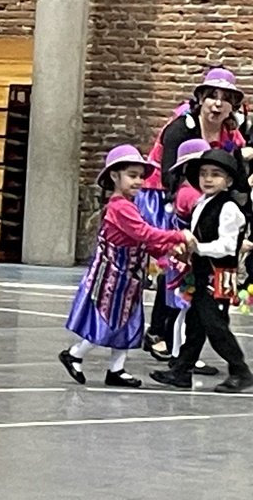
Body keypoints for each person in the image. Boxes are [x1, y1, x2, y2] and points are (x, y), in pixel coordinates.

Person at [59, 145, 194, 388]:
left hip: (129, 279)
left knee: (128, 323)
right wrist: (177, 236)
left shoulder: (130, 205)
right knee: (107, 322)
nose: (139, 181)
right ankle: (75, 353)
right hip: (111, 278)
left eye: (141, 176)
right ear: (114, 176)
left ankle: (116, 369)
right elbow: (144, 233)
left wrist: (165, 255)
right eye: (132, 175)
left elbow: (144, 242)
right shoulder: (119, 207)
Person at [141, 67, 248, 360]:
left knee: (196, 269)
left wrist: (239, 211)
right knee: (175, 263)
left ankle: (184, 346)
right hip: (166, 197)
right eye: (212, 96)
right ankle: (158, 332)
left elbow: (237, 176)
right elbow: (170, 177)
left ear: (233, 105)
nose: (217, 104)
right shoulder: (181, 128)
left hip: (204, 200)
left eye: (225, 98)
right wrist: (201, 207)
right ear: (200, 99)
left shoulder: (230, 134)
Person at [151, 149, 253, 393]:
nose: (208, 179)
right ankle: (182, 370)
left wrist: (197, 247)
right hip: (201, 273)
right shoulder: (201, 204)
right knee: (195, 324)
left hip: (219, 275)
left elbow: (228, 246)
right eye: (204, 174)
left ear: (229, 180)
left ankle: (240, 370)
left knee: (215, 325)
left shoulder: (229, 208)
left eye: (215, 174)